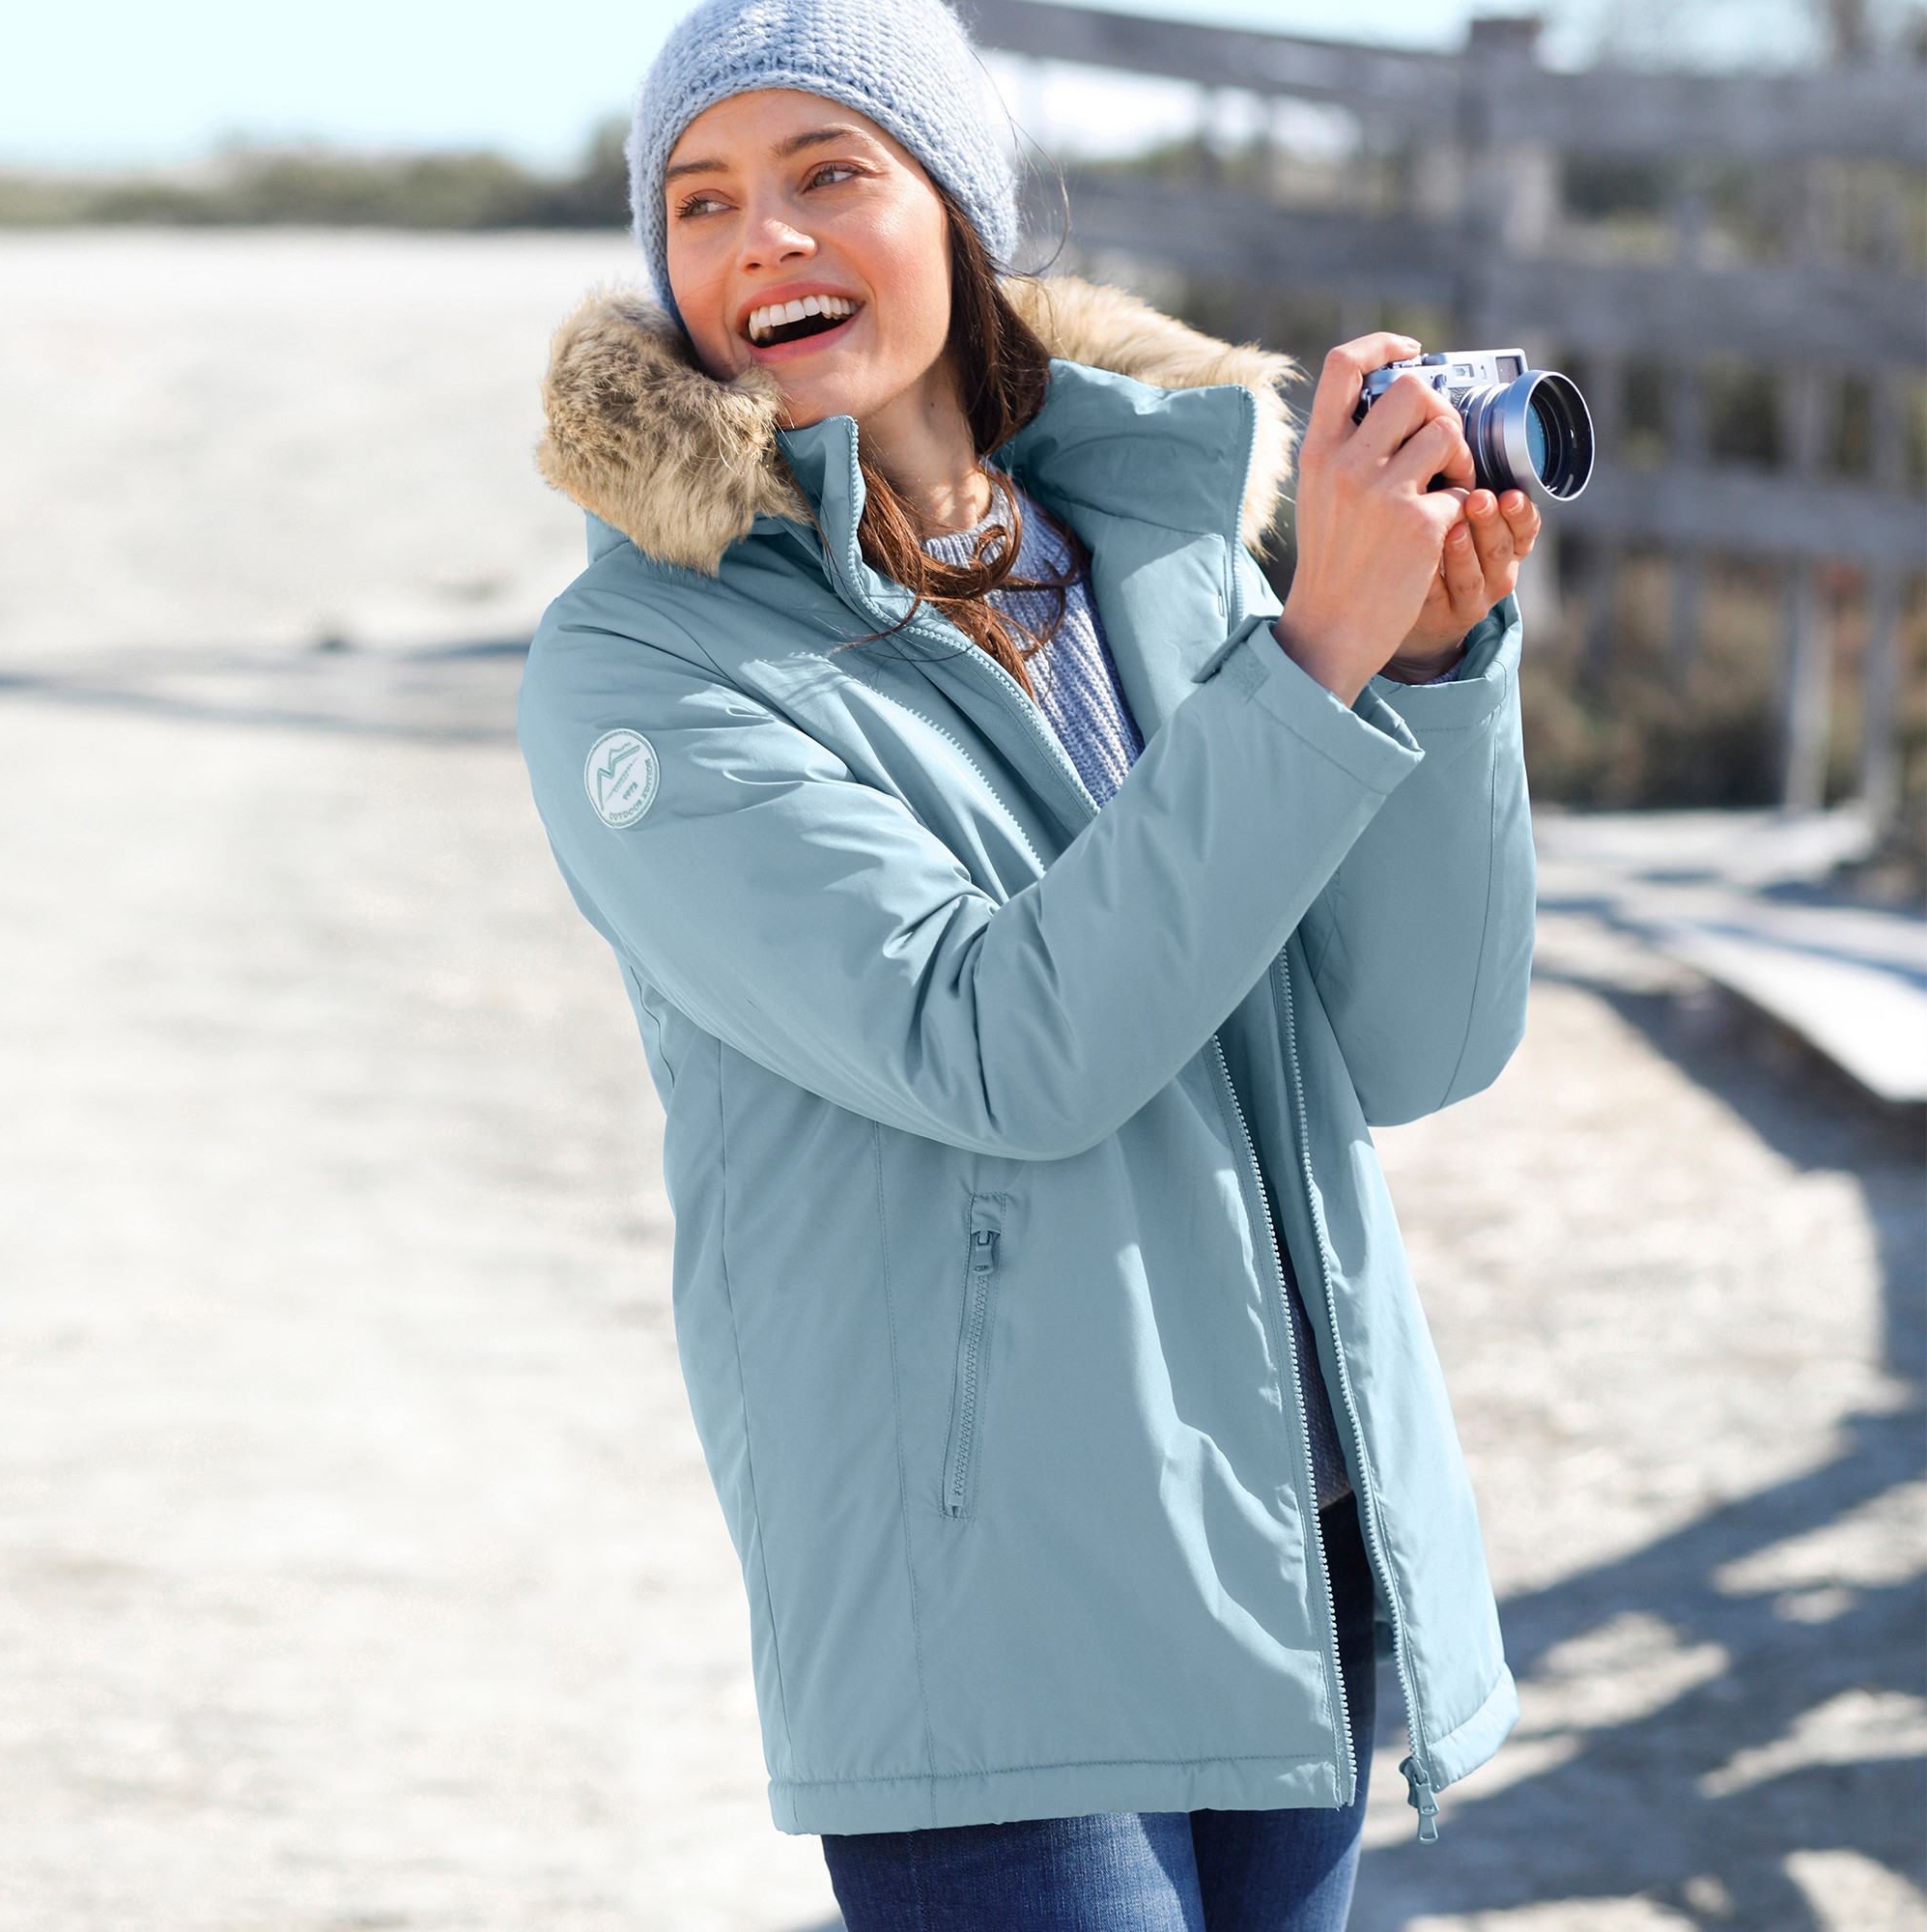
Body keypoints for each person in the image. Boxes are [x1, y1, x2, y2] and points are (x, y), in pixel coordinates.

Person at [518, 0, 1542, 1923]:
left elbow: (1411, 1043)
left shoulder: (1158, 551)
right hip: (994, 1618)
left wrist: (1422, 668)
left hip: (1296, 1542)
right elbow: (999, 1046)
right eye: (701, 200)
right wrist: (1316, 653)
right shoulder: (649, 663)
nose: (761, 240)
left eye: (830, 172)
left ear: (960, 212)